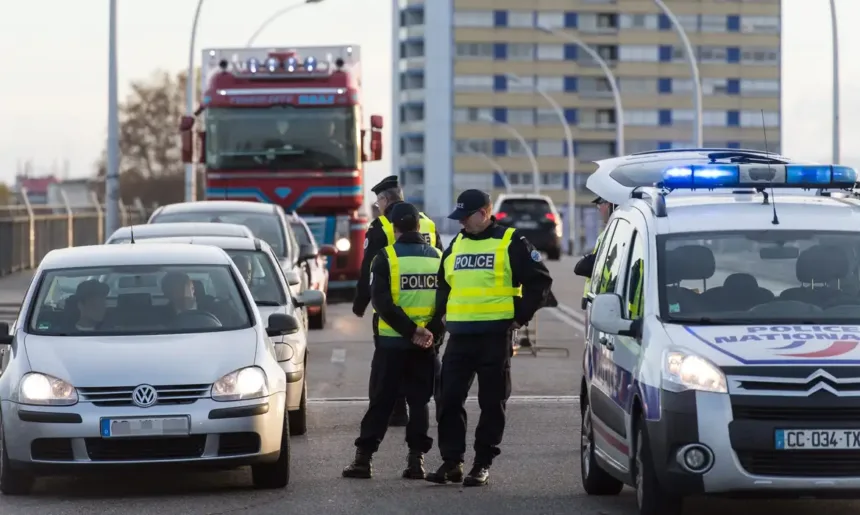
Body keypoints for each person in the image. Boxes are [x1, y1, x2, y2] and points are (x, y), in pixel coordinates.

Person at [425, 189, 553, 487]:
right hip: (460, 337)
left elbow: (540, 281)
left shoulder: (511, 241)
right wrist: (441, 313)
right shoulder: (457, 243)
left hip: (494, 337)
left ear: (484, 213)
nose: (461, 224)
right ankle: (452, 461)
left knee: (491, 402)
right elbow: (444, 281)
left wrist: (518, 318)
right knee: (448, 398)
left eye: (466, 218)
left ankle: (481, 463)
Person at [342, 202, 443, 480]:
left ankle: (363, 460)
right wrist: (428, 332)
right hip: (425, 345)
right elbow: (444, 304)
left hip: (391, 345)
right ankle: (416, 461)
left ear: (395, 228)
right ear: (419, 226)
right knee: (419, 402)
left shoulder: (385, 258)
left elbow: (383, 304)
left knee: (381, 402)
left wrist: (410, 331)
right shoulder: (437, 257)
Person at [353, 175, 444, 427]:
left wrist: (361, 301)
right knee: (424, 359)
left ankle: (396, 410)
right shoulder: (427, 222)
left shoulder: (381, 225)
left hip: (392, 303)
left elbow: (369, 266)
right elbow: (440, 259)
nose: (378, 206)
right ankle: (429, 406)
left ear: (384, 200)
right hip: (426, 306)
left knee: (390, 360)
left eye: (378, 201)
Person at [574, 197, 616, 309]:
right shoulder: (610, 231)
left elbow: (595, 264)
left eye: (600, 205)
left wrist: (587, 263)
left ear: (609, 205)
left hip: (605, 301)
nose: (599, 210)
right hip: (598, 298)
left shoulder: (614, 233)